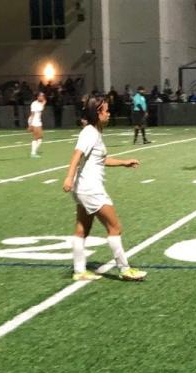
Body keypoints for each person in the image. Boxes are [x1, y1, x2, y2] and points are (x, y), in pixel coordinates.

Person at [62, 96, 147, 282]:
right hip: (91, 189)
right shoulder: (90, 132)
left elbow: (100, 160)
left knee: (82, 228)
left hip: (83, 188)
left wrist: (124, 162)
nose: (109, 114)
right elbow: (77, 155)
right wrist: (68, 177)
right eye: (106, 111)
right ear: (97, 113)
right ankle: (124, 269)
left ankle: (79, 271)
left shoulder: (94, 132)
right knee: (115, 227)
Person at [28, 91, 46, 157]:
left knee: (40, 138)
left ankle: (34, 151)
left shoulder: (41, 103)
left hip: (38, 121)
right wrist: (30, 124)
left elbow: (43, 106)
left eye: (43, 96)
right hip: (34, 122)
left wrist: (43, 101)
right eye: (40, 96)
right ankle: (33, 153)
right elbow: (32, 114)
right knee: (36, 137)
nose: (42, 97)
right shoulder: (34, 104)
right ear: (37, 97)